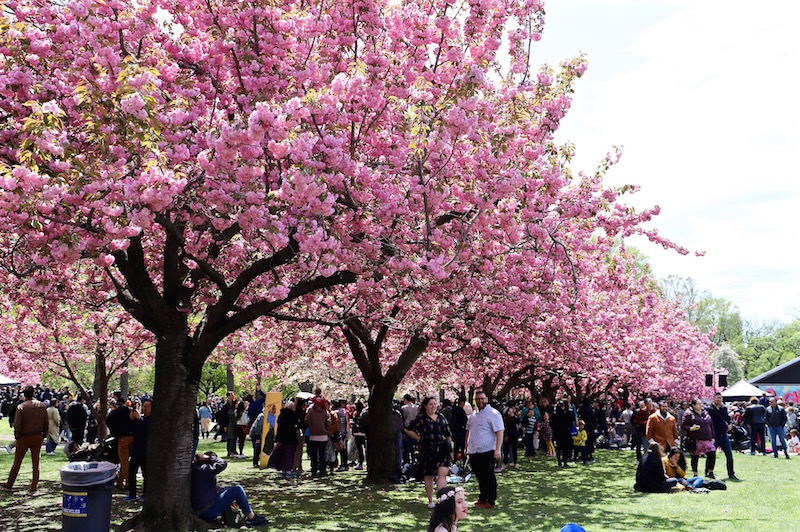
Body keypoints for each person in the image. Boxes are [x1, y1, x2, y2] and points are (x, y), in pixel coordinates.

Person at [191, 452, 267, 527]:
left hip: (202, 510)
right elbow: (222, 463)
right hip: (207, 511)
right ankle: (251, 518)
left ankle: (249, 515)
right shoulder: (204, 469)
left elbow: (214, 489)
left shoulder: (197, 469)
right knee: (238, 489)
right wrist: (209, 458)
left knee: (228, 491)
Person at [404, 396, 453, 508]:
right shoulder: (421, 418)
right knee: (429, 475)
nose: (433, 406)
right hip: (428, 449)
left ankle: (441, 499)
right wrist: (419, 438)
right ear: (425, 406)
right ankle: (430, 500)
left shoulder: (441, 417)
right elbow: (407, 429)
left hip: (442, 449)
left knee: (442, 474)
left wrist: (450, 449)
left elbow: (448, 433)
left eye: (435, 404)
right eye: (430, 404)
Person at [1, 386, 48, 492]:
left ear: (24, 394)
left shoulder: (21, 407)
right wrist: (43, 435)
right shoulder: (42, 406)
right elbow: (46, 423)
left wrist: (17, 436)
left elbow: (18, 424)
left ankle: (10, 483)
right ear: (34, 393)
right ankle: (34, 485)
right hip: (37, 436)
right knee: (36, 462)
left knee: (17, 462)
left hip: (24, 436)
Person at [465, 390, 503, 509]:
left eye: (482, 398)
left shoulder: (493, 413)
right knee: (480, 476)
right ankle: (482, 498)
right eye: (478, 399)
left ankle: (490, 501)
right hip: (474, 451)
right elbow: (468, 431)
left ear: (487, 399)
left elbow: (500, 431)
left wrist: (497, 449)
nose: (480, 401)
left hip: (488, 450)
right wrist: (466, 446)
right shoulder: (473, 415)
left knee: (488, 476)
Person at [681, 398, 716, 479]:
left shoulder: (705, 412)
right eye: (698, 404)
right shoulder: (688, 413)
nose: (701, 405)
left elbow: (711, 425)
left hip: (707, 439)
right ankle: (695, 474)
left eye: (701, 403)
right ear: (693, 405)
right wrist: (691, 428)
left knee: (712, 453)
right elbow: (683, 425)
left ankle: (710, 472)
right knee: (695, 456)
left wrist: (713, 436)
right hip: (695, 439)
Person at [706, 393, 737, 479]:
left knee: (729, 454)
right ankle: (708, 471)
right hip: (713, 435)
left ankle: (731, 473)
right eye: (717, 398)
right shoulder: (709, 409)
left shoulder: (724, 408)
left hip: (724, 435)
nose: (719, 399)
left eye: (720, 398)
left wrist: (730, 424)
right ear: (713, 399)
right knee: (711, 455)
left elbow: (727, 418)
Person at [107, 398, 135, 489]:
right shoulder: (130, 412)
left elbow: (108, 422)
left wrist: (115, 433)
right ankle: (120, 481)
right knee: (128, 462)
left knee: (124, 462)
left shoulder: (114, 413)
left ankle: (128, 482)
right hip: (133, 437)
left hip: (122, 438)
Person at [126, 399, 150, 501]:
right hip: (136, 450)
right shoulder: (141, 419)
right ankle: (132, 494)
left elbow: (146, 429)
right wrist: (131, 419)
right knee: (131, 473)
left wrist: (139, 419)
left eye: (146, 407)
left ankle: (145, 494)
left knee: (146, 474)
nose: (143, 409)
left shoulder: (151, 420)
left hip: (145, 451)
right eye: (143, 406)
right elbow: (132, 429)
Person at [267, 401, 298, 477]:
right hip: (290, 438)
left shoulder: (281, 415)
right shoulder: (292, 415)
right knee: (289, 455)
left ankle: (283, 470)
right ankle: (287, 471)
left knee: (282, 454)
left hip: (281, 438)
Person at [305, 395, 331, 477]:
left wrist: (311, 426)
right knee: (322, 455)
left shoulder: (310, 411)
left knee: (314, 455)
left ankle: (314, 470)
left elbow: (306, 421)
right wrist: (325, 428)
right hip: (323, 436)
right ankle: (322, 470)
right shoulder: (325, 412)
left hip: (313, 436)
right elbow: (329, 422)